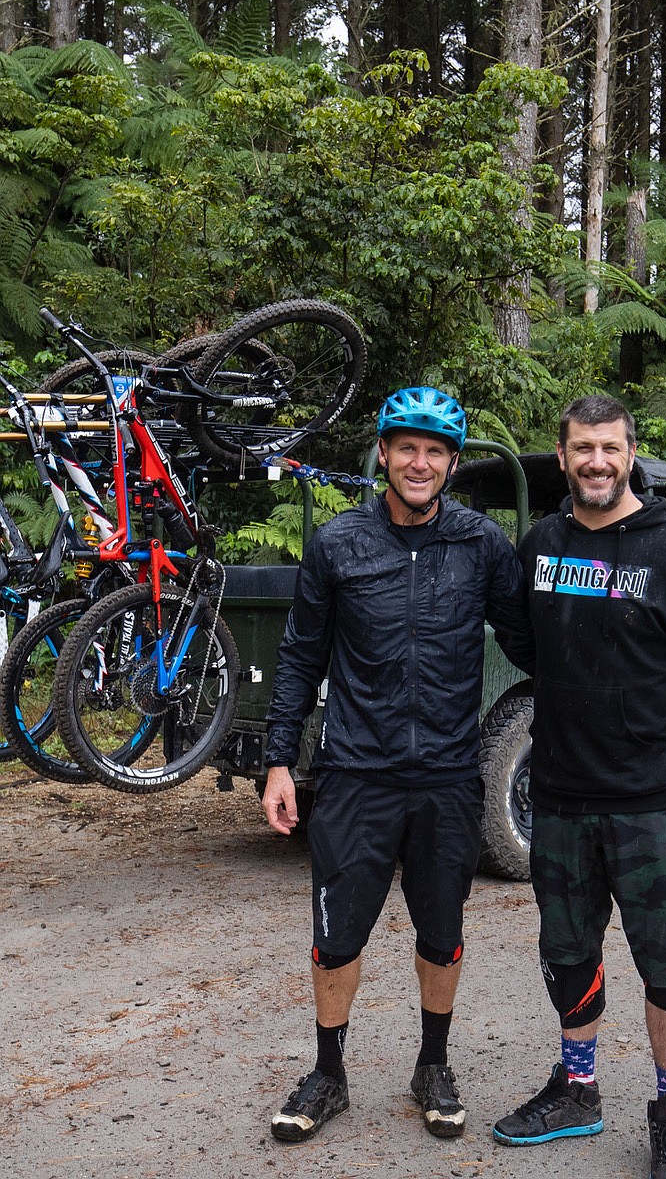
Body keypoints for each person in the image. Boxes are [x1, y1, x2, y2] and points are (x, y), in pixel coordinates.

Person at [492, 394, 666, 1179]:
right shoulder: (540, 546)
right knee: (568, 955)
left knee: (665, 966)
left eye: (609, 448)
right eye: (582, 448)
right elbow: (522, 638)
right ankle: (577, 1092)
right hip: (557, 799)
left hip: (649, 803)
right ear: (562, 456)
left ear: (629, 454)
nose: (595, 462)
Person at [261, 386, 535, 1144]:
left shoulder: (481, 544)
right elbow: (298, 657)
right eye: (406, 446)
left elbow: (529, 642)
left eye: (435, 450)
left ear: (452, 463)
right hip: (355, 773)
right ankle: (328, 1074)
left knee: (440, 933)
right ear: (382, 453)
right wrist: (279, 763)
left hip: (447, 779)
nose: (419, 462)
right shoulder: (338, 544)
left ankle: (432, 1065)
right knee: (336, 937)